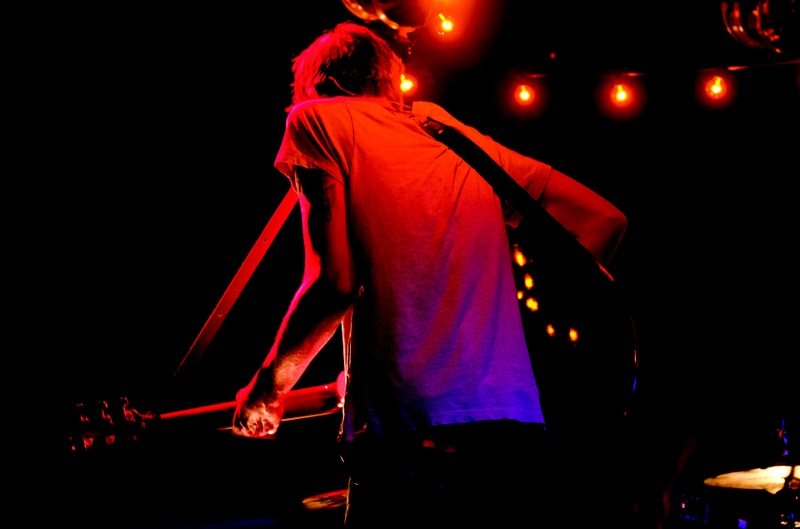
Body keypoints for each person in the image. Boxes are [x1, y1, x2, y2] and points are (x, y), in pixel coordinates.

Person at [231, 21, 628, 527]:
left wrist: (270, 387)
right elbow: (602, 221)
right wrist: (517, 315)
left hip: (410, 430)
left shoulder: (316, 118)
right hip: (513, 428)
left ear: (319, 85)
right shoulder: (445, 133)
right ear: (390, 79)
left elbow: (335, 284)